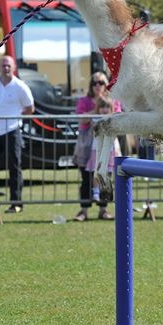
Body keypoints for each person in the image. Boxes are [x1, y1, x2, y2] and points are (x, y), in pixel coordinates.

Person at [0, 55, 34, 213]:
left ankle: (16, 203)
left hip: (12, 129)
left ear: (14, 67)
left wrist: (16, 114)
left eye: (9, 65)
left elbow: (30, 108)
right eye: (3, 65)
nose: (6, 68)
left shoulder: (20, 86)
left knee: (14, 167)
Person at [72, 71, 121, 222]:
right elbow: (81, 120)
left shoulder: (114, 100)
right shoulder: (84, 101)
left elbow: (118, 118)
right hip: (87, 145)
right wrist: (96, 108)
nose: (97, 86)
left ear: (107, 85)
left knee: (105, 177)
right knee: (86, 178)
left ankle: (103, 209)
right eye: (94, 83)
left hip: (108, 146)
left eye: (101, 83)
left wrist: (106, 105)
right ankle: (84, 210)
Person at [82, 95, 121, 220]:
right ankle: (95, 192)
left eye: (107, 107)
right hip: (96, 149)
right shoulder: (95, 118)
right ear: (98, 108)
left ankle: (104, 205)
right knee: (96, 171)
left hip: (109, 151)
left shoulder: (113, 119)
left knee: (107, 174)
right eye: (102, 107)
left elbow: (115, 135)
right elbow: (90, 127)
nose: (104, 109)